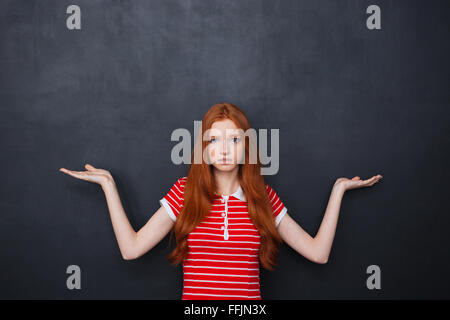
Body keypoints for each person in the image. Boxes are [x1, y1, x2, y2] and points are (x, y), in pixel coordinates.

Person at [59, 102, 382, 300]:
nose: (224, 149)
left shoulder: (263, 199)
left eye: (233, 139)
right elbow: (132, 250)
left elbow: (318, 253)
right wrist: (109, 186)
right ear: (204, 147)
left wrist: (338, 191)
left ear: (245, 146)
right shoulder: (184, 193)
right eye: (214, 139)